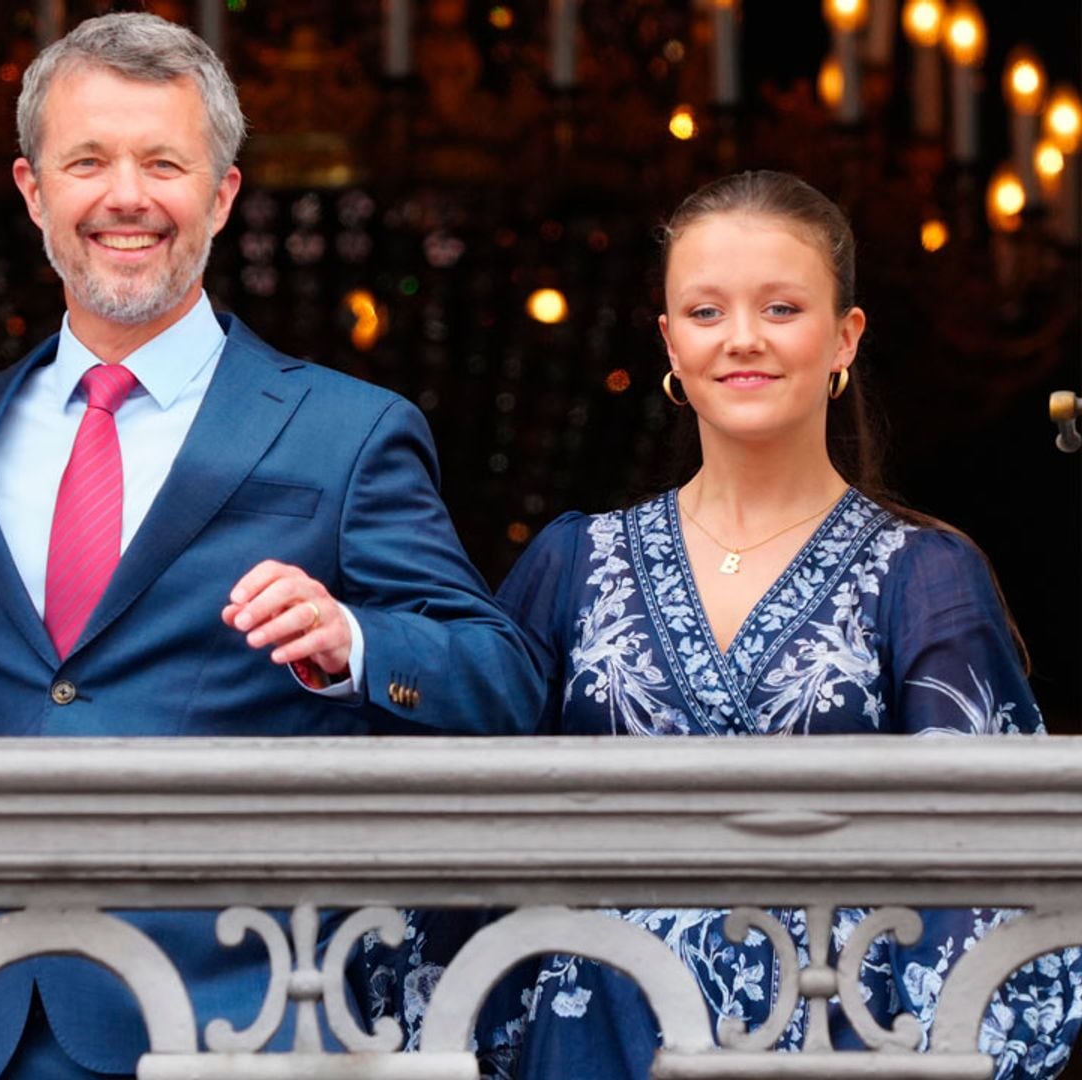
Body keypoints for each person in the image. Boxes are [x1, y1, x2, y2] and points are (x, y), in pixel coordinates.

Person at [360, 171, 1082, 1078]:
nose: (742, 339)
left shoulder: (924, 577)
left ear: (844, 337)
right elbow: (468, 808)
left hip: (831, 1043)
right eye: (705, 312)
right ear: (668, 340)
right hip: (591, 1034)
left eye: (781, 308)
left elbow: (989, 864)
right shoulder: (572, 561)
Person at [0, 13, 543, 1080]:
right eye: (89, 161)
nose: (126, 195)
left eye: (164, 162)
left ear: (220, 195)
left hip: (246, 1018)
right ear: (33, 191)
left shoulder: (346, 431)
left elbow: (501, 678)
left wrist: (356, 639)